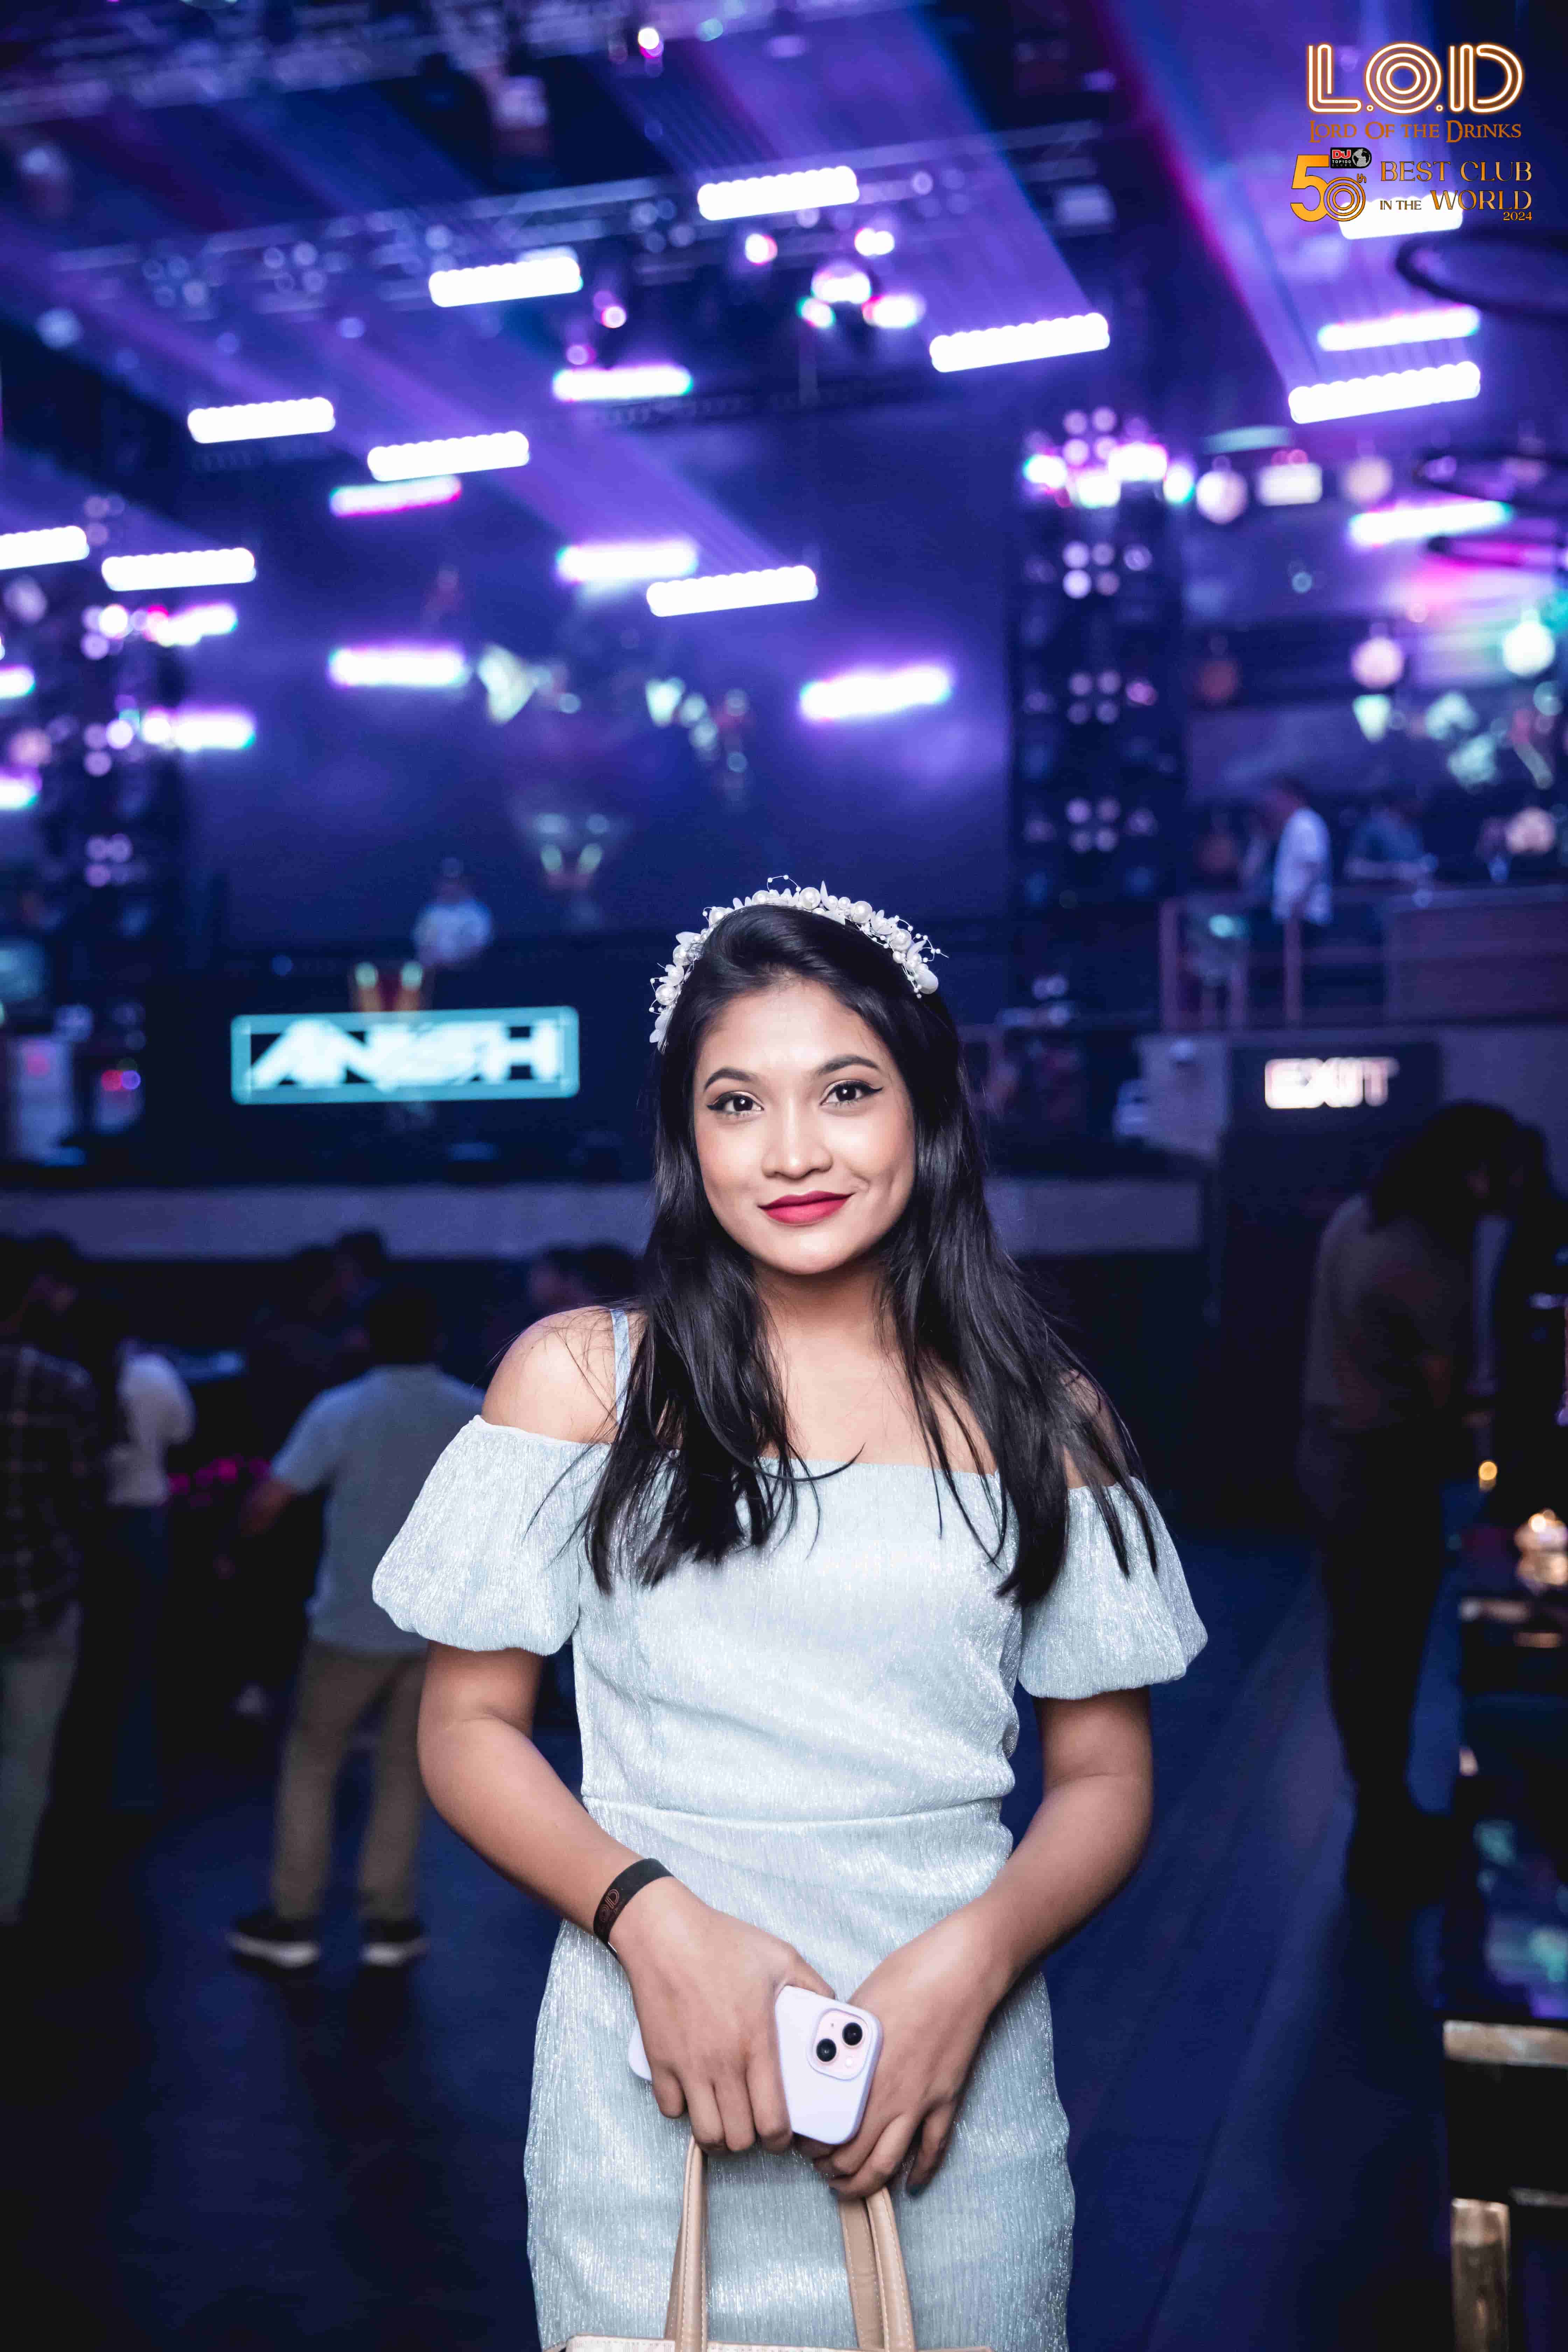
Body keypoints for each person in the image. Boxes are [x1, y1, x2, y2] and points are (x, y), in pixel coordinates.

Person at [373, 883, 1206, 2352]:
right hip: (649, 2077)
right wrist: (650, 1919)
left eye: (846, 1089)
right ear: (685, 1136)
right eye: (736, 1101)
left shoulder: (1043, 1413)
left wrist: (972, 1961)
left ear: (927, 1105)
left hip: (955, 2084)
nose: (793, 1149)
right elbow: (465, 1724)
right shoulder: (585, 1381)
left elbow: (1103, 1773)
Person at [1297, 1102, 1523, 1895]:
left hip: (1327, 1455)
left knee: (1359, 1646)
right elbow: (1442, 1393)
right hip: (1384, 1470)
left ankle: (1379, 1812)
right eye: (1504, 1168)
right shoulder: (1426, 1252)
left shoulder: (1360, 1217)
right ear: (1472, 1173)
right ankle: (1384, 1835)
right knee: (1390, 1653)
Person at [227, 1284, 479, 1971]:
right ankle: (389, 1922)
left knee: (312, 1762)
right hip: (437, 1629)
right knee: (405, 1772)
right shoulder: (473, 1411)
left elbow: (269, 1503)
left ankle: (293, 1919)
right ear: (436, 1339)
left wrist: (232, 1548)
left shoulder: (340, 1409)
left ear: (366, 1338)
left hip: (348, 1624)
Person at [0, 1239, 102, 1935]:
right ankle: (6, 1900)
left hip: (41, 1589)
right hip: (38, 1591)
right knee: (25, 1764)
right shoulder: (63, 1384)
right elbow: (83, 1497)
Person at [1260, 777, 1332, 927]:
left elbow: (1314, 865)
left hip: (1304, 915)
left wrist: (1298, 907)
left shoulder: (1306, 823)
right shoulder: (1294, 823)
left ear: (1291, 797)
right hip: (1294, 915)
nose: (1274, 806)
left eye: (1278, 799)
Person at [412, 859, 493, 972]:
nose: (450, 887)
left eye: (455, 882)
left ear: (464, 884)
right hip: (435, 973)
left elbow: (479, 949)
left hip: (468, 973)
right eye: (447, 882)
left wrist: (453, 963)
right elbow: (422, 945)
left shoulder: (477, 913)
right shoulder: (430, 912)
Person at [1345, 793, 1431, 886]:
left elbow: (1421, 866)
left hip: (1410, 893)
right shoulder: (1372, 827)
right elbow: (1353, 869)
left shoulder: (1412, 830)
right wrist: (1391, 871)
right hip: (1378, 893)